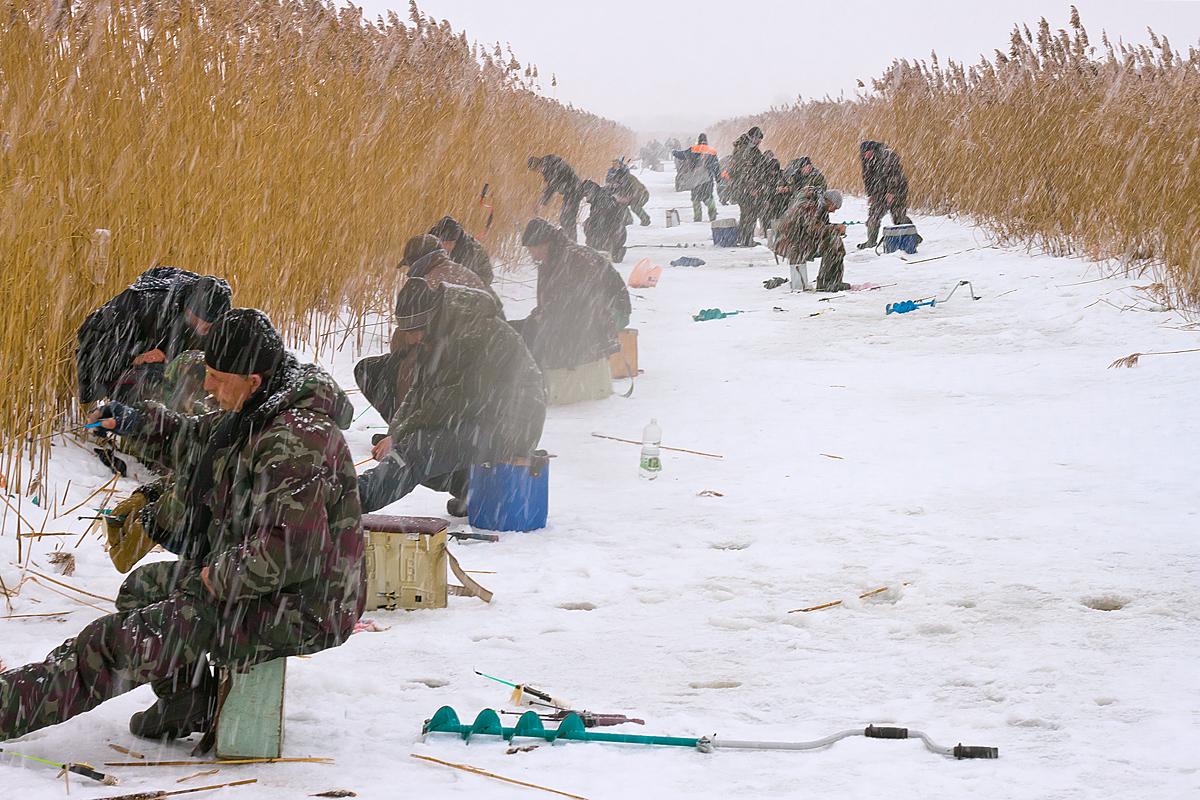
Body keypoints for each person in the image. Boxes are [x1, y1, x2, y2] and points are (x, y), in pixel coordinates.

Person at [1, 309, 364, 743]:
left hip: (309, 605)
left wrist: (216, 578)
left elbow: (292, 551)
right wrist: (133, 422)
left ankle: (8, 707)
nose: (207, 387)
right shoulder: (260, 410)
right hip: (267, 585)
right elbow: (195, 438)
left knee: (119, 644)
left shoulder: (296, 440)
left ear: (253, 380)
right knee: (144, 588)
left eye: (216, 376)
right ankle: (186, 702)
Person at [357, 281, 546, 515]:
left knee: (419, 449)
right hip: (480, 416)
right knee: (413, 445)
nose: (412, 338)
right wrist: (394, 433)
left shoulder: (473, 333)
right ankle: (476, 493)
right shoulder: (437, 332)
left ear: (432, 315)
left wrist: (402, 436)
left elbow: (451, 402)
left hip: (514, 423)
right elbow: (418, 391)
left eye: (415, 330)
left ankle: (355, 499)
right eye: (406, 330)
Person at [76, 266, 231, 406]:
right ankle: (142, 429)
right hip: (132, 368)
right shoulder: (145, 301)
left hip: (173, 371)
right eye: (205, 321)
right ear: (189, 308)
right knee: (153, 382)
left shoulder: (225, 320)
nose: (207, 327)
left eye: (214, 323)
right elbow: (90, 337)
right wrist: (136, 357)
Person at [514, 218, 630, 372]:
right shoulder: (549, 262)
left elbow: (584, 301)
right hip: (585, 309)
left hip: (612, 311)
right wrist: (539, 316)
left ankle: (554, 373)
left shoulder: (574, 259)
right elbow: (549, 302)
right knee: (527, 328)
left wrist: (548, 317)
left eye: (532, 249)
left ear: (545, 243)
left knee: (554, 332)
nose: (531, 254)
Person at [774, 189, 850, 292]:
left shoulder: (820, 207)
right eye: (834, 207)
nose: (833, 211)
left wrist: (834, 229)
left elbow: (821, 228)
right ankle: (825, 282)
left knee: (835, 243)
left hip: (801, 241)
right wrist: (835, 228)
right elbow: (813, 229)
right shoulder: (810, 206)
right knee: (833, 242)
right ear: (829, 201)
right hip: (791, 243)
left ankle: (834, 281)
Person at [858, 140, 919, 250]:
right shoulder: (866, 160)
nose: (865, 155)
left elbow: (895, 175)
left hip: (897, 190)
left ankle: (914, 237)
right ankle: (871, 241)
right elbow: (867, 178)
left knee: (898, 217)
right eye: (864, 154)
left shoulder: (887, 155)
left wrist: (891, 192)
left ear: (872, 150)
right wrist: (871, 194)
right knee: (874, 215)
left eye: (867, 153)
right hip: (879, 192)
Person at [728, 127, 770, 247]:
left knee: (746, 214)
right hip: (746, 188)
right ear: (753, 137)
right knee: (750, 213)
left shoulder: (743, 147)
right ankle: (747, 239)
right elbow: (746, 171)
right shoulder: (746, 150)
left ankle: (744, 238)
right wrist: (752, 188)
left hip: (741, 187)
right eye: (758, 139)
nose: (759, 142)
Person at [528, 154, 583, 241]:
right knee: (564, 219)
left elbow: (552, 185)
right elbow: (552, 184)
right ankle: (570, 241)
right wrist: (542, 201)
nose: (538, 171)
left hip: (574, 190)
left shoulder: (550, 165)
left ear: (538, 164)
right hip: (569, 192)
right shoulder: (548, 166)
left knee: (568, 218)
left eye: (536, 169)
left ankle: (572, 243)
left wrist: (542, 201)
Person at [428, 216, 494, 286]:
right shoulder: (433, 238)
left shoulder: (468, 251)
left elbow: (458, 275)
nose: (444, 246)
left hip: (479, 282)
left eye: (448, 243)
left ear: (455, 241)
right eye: (442, 242)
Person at [672, 134, 720, 222]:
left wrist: (674, 152)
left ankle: (697, 218)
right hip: (707, 179)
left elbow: (681, 155)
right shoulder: (712, 151)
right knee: (708, 197)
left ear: (698, 141)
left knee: (695, 199)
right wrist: (718, 178)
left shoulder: (693, 149)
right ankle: (712, 214)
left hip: (695, 180)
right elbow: (716, 166)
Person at [580, 179, 631, 263]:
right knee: (591, 225)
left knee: (591, 225)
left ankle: (606, 250)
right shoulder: (601, 195)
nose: (586, 198)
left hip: (614, 233)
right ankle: (614, 250)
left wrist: (591, 242)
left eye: (586, 195)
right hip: (618, 233)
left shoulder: (601, 201)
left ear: (590, 192)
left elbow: (599, 223)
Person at [606, 158, 651, 226]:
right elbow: (609, 187)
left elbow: (637, 189)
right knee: (621, 205)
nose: (614, 165)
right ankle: (628, 220)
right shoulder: (610, 175)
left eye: (617, 163)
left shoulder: (630, 178)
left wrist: (630, 197)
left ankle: (645, 219)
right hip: (626, 197)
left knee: (634, 206)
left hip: (641, 195)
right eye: (613, 163)